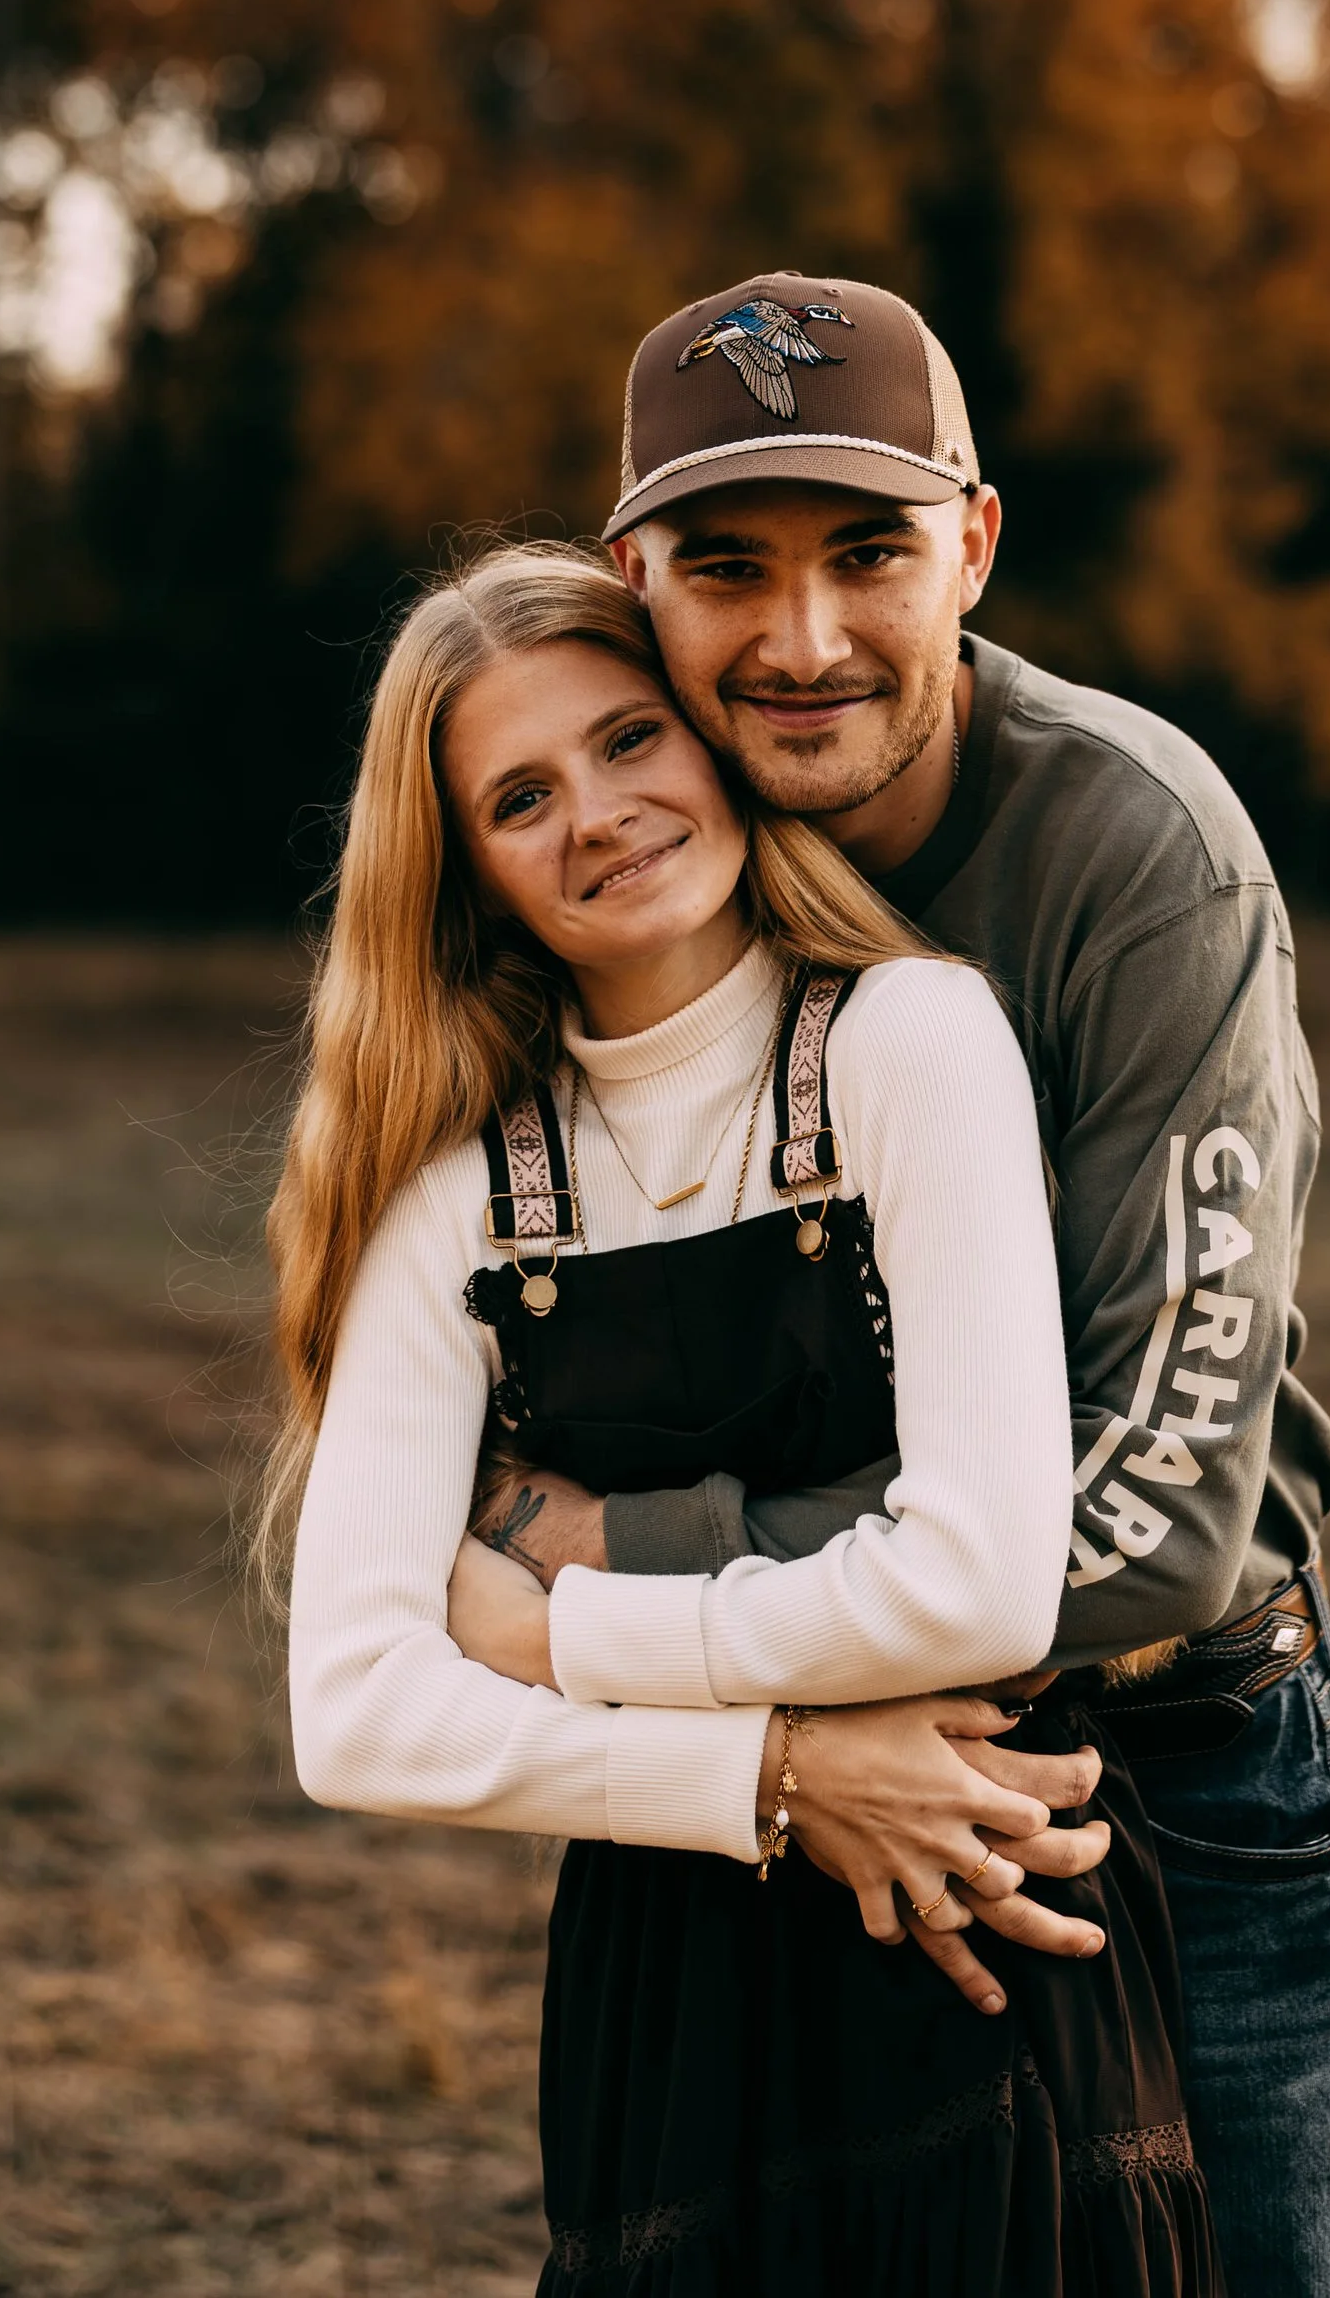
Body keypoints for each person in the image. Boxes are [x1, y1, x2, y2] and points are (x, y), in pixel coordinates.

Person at [469, 276, 1330, 2298]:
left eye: (867, 554)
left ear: (970, 544)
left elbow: (1155, 1515)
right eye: (725, 571)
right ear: (636, 585)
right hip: (742, 1814)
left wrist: (635, 1567)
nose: (799, 645)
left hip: (1144, 1771)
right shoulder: (580, 881)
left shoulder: (1138, 862)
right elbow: (436, 1452)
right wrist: (779, 1763)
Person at [270, 542, 1224, 2295]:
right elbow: (352, 1713)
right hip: (671, 1970)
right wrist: (775, 1772)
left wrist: (564, 1631)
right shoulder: (462, 1192)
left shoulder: (908, 1040)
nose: (605, 813)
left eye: (632, 739)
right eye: (523, 794)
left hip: (982, 1917)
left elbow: (986, 1587)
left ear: (710, 744)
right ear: (470, 872)